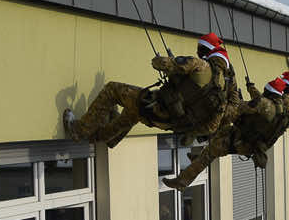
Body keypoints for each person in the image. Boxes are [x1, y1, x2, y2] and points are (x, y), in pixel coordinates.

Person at [64, 33, 235, 147]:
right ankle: (105, 137)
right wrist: (189, 127)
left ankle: (78, 131)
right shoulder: (224, 86)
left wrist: (169, 63)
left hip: (159, 108)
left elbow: (159, 63)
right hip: (172, 123)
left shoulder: (201, 65)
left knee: (113, 90)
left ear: (205, 51)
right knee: (133, 112)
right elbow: (212, 126)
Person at [162, 77, 289, 190]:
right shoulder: (279, 108)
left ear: (269, 91)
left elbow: (241, 108)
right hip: (251, 140)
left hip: (243, 141)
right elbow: (261, 103)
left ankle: (182, 182)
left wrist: (236, 101)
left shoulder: (264, 103)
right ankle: (197, 158)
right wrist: (251, 88)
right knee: (222, 131)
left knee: (210, 153)